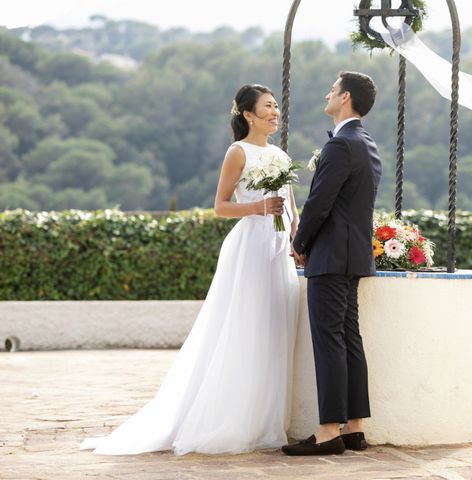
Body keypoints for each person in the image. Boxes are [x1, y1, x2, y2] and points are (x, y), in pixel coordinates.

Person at [80, 84, 300, 456]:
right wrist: (258, 208)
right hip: (249, 246)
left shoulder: (280, 154)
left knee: (274, 327)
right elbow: (220, 205)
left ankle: (264, 418)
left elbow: (292, 205)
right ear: (248, 114)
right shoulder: (238, 152)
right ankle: (228, 417)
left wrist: (297, 239)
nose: (275, 112)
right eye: (267, 106)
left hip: (277, 250)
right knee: (243, 326)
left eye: (276, 106)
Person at [284, 71, 382, 456]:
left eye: (332, 89)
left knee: (329, 342)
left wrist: (299, 241)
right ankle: (354, 428)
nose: (327, 93)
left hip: (329, 257)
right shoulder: (367, 143)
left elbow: (319, 203)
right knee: (349, 339)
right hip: (354, 254)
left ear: (345, 98)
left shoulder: (341, 145)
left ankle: (327, 432)